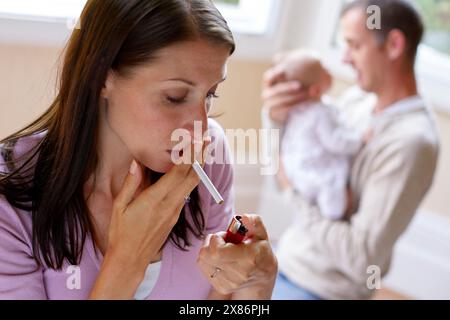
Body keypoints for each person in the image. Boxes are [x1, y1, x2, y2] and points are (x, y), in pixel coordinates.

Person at [0, 0, 277, 300]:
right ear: (102, 75)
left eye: (211, 94)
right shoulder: (9, 204)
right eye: (175, 96)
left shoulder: (210, 154)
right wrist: (127, 260)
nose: (200, 124)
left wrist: (258, 281)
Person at [262, 0, 439, 299]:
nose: (344, 59)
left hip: (321, 290)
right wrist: (275, 120)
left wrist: (292, 191)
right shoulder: (357, 102)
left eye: (354, 46)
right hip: (284, 259)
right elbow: (281, 178)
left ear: (394, 44)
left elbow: (361, 259)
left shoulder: (411, 142)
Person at [275, 50, 368, 220]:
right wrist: (360, 140)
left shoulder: (297, 110)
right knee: (331, 185)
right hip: (313, 172)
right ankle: (333, 215)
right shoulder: (320, 113)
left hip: (295, 168)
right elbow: (335, 141)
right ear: (316, 90)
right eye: (324, 69)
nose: (330, 70)